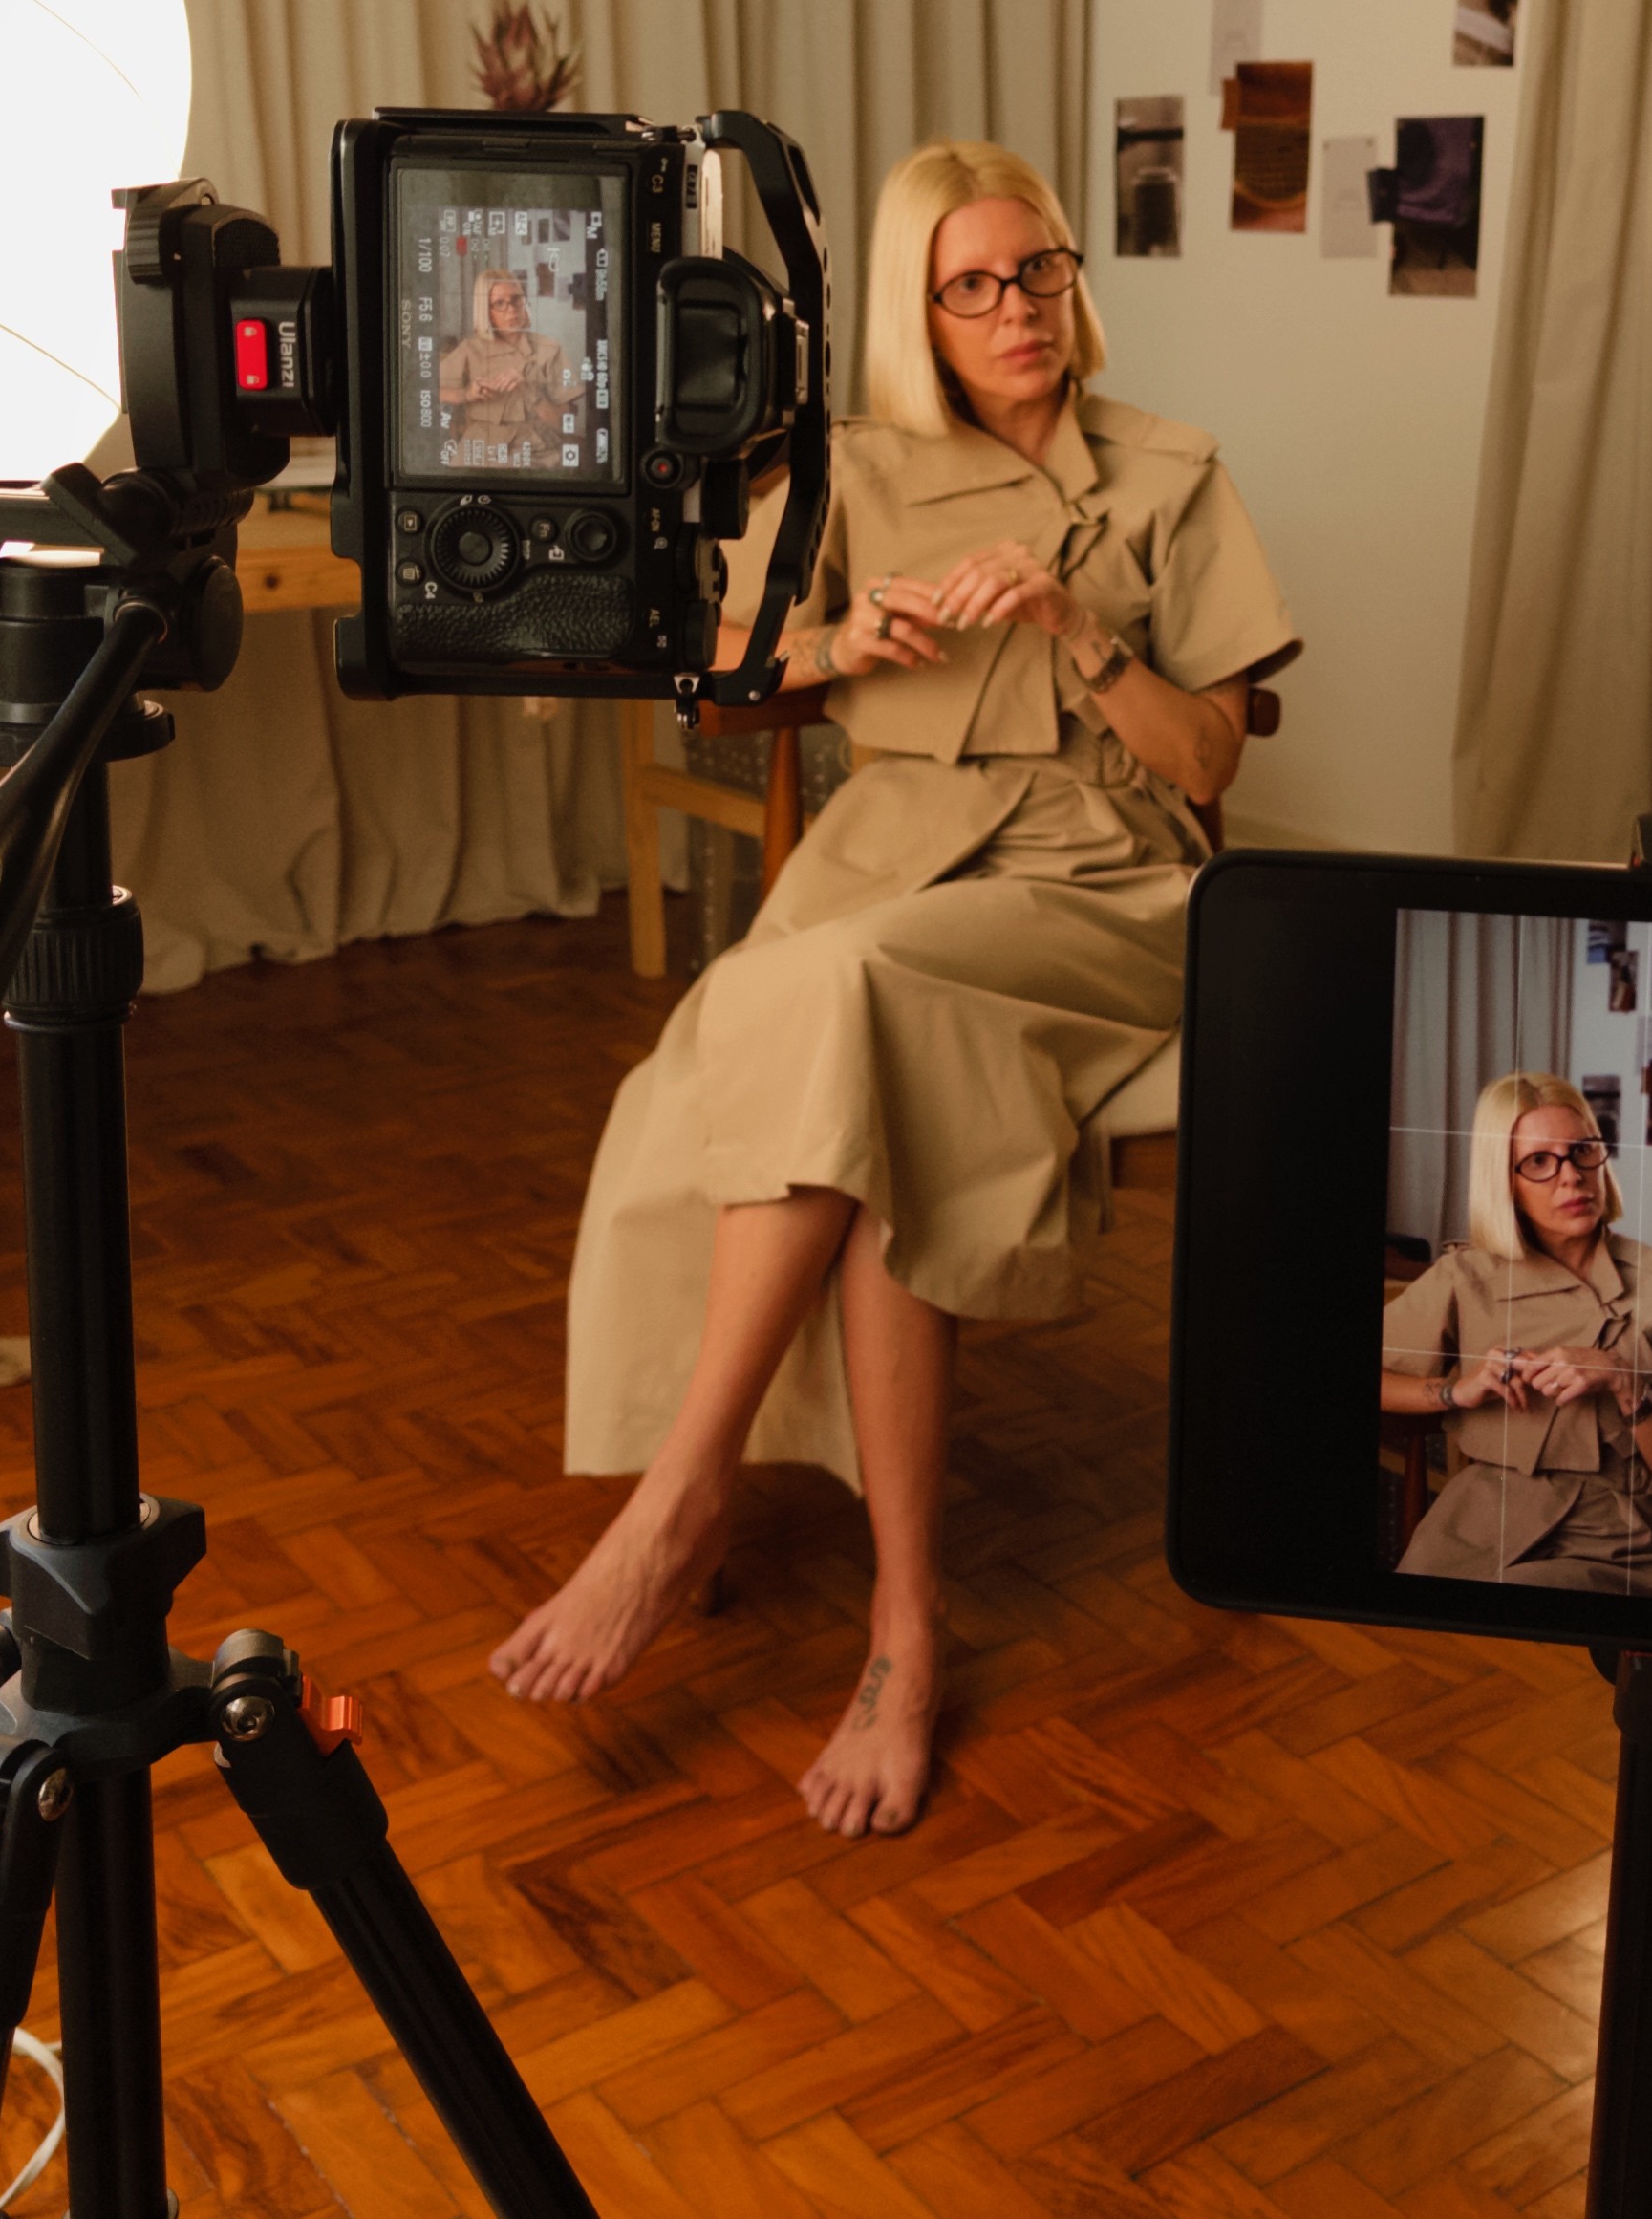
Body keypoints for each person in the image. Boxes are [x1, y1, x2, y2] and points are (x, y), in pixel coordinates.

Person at [493, 140, 1298, 1835]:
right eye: (971, 285)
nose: (1017, 308)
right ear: (918, 315)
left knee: (824, 991)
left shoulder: (1169, 469)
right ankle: (903, 1630)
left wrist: (1081, 630)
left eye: (1040, 271)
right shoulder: (848, 471)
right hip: (890, 863)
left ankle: (681, 1495)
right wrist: (835, 648)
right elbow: (722, 676)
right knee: (853, 1081)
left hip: (1110, 884)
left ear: (1076, 276)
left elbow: (1212, 759)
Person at [1382, 1073, 1652, 1598]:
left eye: (1583, 1151)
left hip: (1626, 1533)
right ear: (1503, 1180)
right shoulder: (1466, 1275)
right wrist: (1453, 1390)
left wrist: (1628, 1385)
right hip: (1481, 1514)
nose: (1572, 1177)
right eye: (1539, 1161)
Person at [436, 267, 579, 466]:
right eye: (500, 304)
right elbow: (424, 390)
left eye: (516, 300)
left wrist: (530, 392)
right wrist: (465, 394)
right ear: (485, 310)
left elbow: (565, 425)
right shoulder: (470, 349)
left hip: (538, 447)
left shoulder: (549, 349)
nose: (512, 310)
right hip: (481, 447)